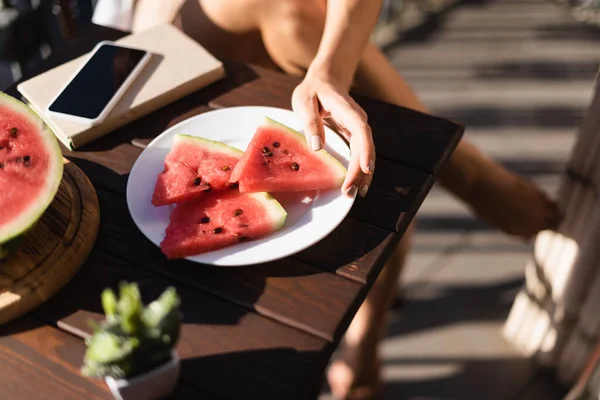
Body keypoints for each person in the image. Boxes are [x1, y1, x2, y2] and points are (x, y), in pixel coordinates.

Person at [93, 0, 562, 398]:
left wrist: (330, 70)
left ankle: (365, 344)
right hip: (176, 33)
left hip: (305, 25)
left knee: (364, 153)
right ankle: (463, 168)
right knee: (379, 142)